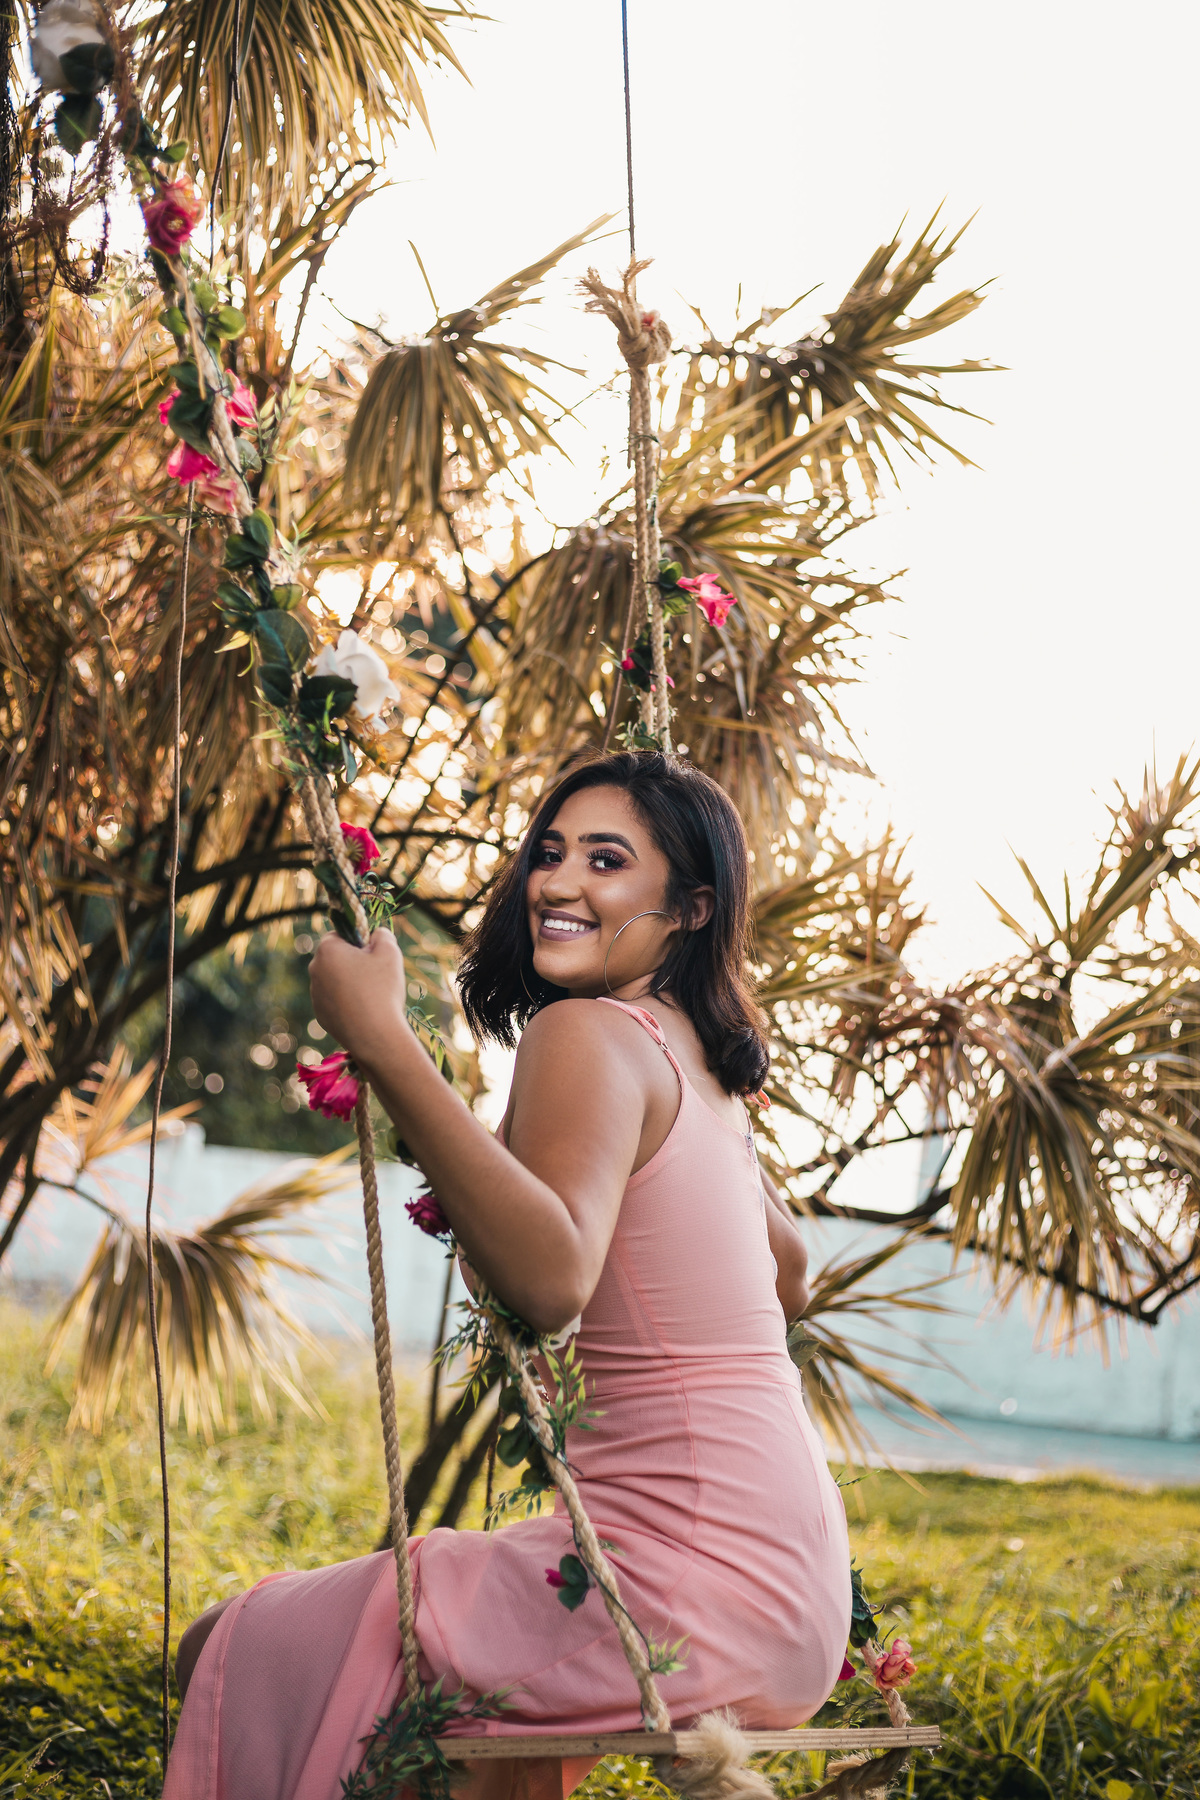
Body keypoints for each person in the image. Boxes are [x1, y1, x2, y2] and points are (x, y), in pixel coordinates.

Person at [165, 751, 851, 1800]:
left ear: (690, 908)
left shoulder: (584, 1032)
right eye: (550, 852)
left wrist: (383, 1042)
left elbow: (552, 1284)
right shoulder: (698, 1065)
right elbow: (790, 1278)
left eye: (607, 860)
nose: (557, 882)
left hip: (680, 1588)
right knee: (464, 1732)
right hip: (793, 1592)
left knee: (223, 1642)